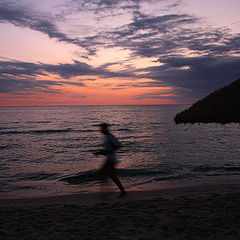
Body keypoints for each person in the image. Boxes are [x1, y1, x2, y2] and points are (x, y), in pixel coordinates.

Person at [94, 123, 127, 197]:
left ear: (106, 129)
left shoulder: (110, 137)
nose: (101, 130)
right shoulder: (106, 137)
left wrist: (108, 151)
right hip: (109, 158)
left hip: (112, 159)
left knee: (110, 175)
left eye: (102, 129)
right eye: (100, 129)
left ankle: (111, 191)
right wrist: (100, 152)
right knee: (105, 174)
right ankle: (107, 190)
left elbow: (119, 145)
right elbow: (108, 149)